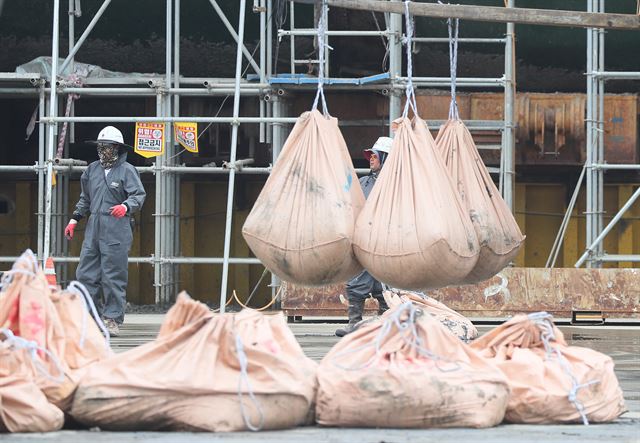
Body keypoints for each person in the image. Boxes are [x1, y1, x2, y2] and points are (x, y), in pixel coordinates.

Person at [64, 126, 146, 337]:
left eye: (107, 147)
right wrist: (74, 219)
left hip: (117, 227)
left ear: (116, 148)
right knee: (85, 273)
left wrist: (125, 206)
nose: (103, 150)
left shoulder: (127, 170)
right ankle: (91, 318)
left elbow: (138, 195)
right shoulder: (92, 170)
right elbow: (86, 198)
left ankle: (112, 318)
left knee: (113, 275)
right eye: (101, 146)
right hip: (94, 225)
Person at [335, 136, 393, 337]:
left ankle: (386, 325)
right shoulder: (363, 183)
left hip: (386, 245)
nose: (371, 159)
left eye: (375, 156)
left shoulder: (396, 187)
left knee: (385, 288)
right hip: (362, 242)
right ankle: (354, 324)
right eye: (370, 156)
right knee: (355, 284)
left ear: (386, 158)